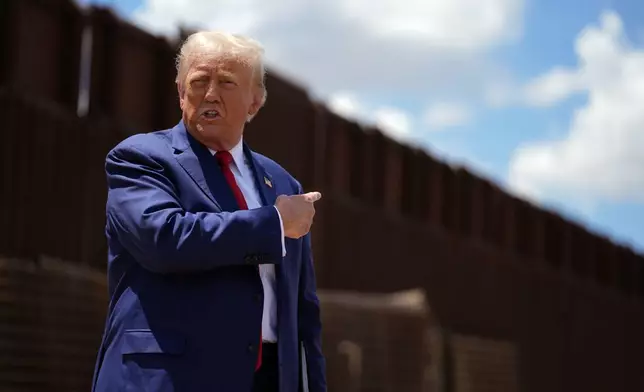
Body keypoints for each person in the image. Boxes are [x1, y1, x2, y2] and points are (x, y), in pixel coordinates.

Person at [90, 31, 327, 392]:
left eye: (227, 82)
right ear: (181, 93)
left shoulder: (283, 184)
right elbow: (164, 238)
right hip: (169, 379)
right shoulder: (140, 158)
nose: (211, 93)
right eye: (199, 81)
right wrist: (274, 224)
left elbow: (303, 311)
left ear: (255, 101)